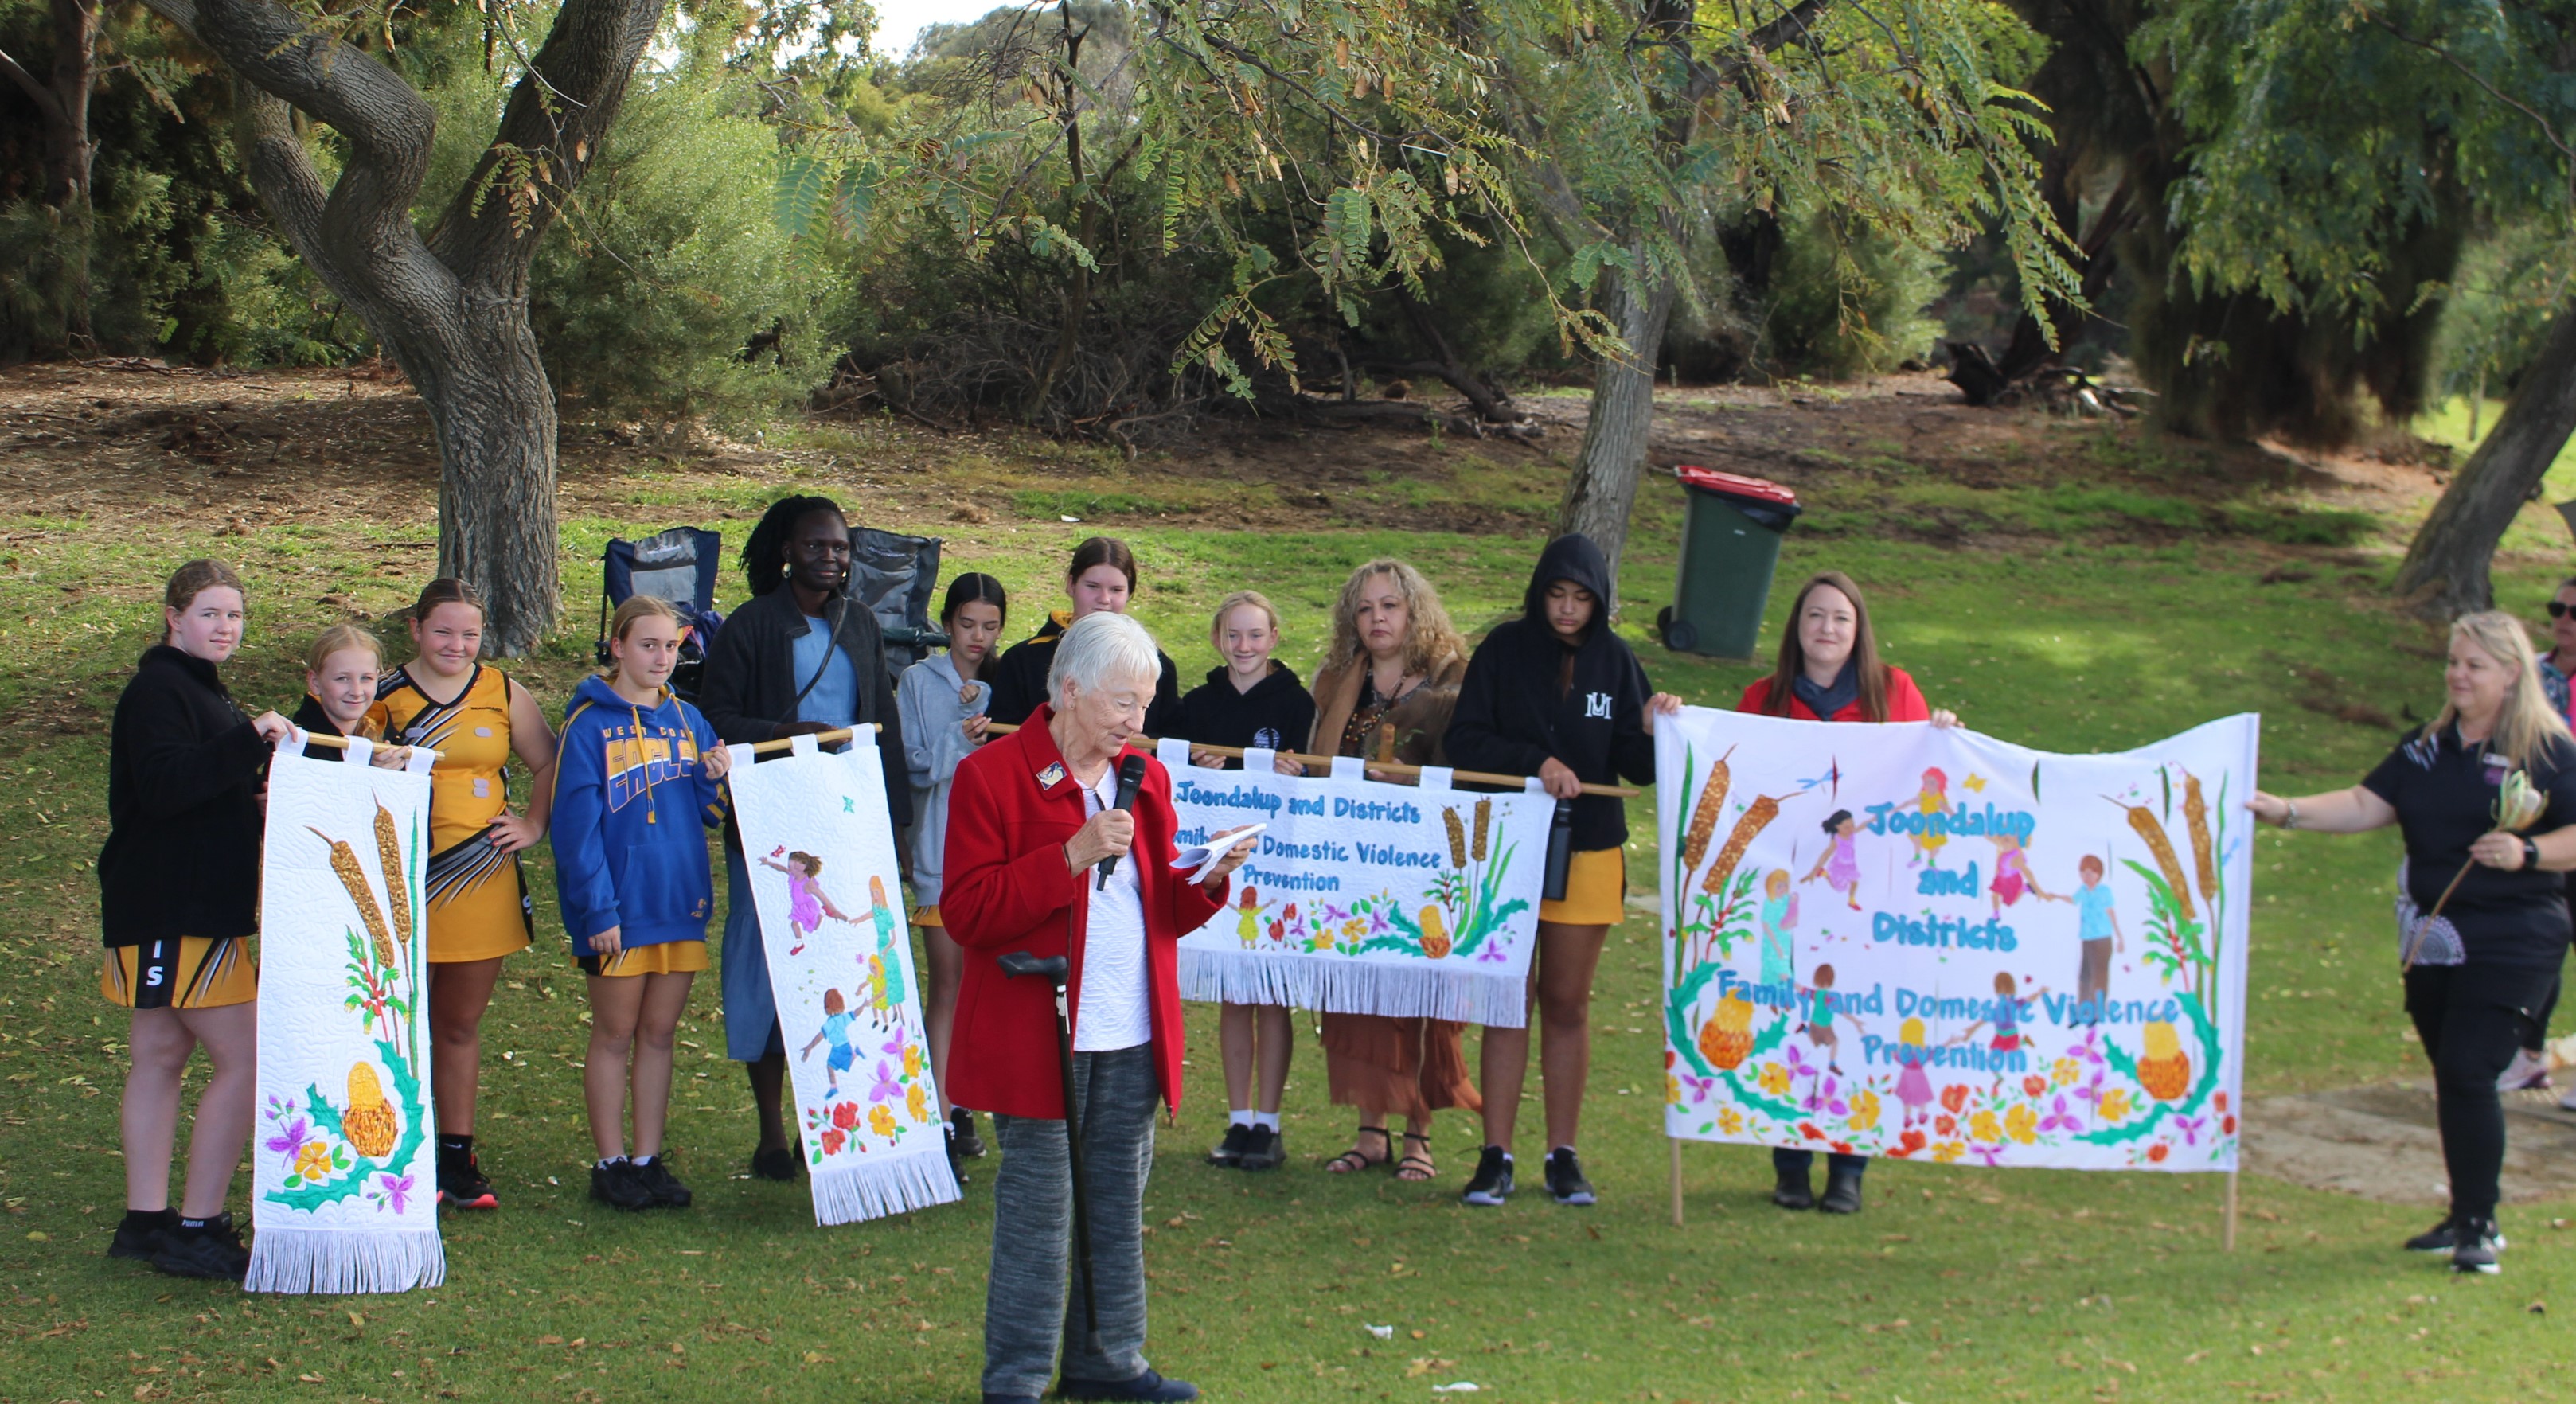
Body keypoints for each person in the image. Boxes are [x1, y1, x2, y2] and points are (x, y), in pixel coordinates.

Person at [943, 612, 1253, 1404]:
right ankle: (1012, 1379)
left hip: (1130, 1028)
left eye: (1144, 705)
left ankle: (1105, 1360)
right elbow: (968, 914)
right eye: (1123, 703)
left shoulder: (1144, 780)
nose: (1135, 722)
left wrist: (1211, 877)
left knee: (1115, 1205)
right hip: (1038, 1031)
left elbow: (1164, 912)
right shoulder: (992, 776)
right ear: (1069, 688)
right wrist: (1068, 857)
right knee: (1039, 1218)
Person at [2249, 610, 2576, 1277]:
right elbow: (2368, 804)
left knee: (2468, 1069)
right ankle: (2466, 1210)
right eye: (2453, 662)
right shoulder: (2426, 748)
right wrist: (2282, 809)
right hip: (2435, 938)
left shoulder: (2550, 751)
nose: (2458, 675)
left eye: (2474, 665)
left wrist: (2528, 849)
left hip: (2517, 937)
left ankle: (2480, 1229)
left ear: (2512, 674)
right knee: (2455, 1078)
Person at [1445, 535, 1681, 1207]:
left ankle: (1563, 1154)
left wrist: (1658, 727)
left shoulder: (1615, 660)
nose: (1568, 609)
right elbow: (1465, 742)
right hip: (1512, 851)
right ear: (1539, 593)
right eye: (1557, 594)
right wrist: (1533, 764)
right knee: (1507, 999)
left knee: (1567, 1004)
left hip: (1590, 850)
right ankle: (1496, 1154)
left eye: (1582, 598)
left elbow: (1636, 765)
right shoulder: (1502, 651)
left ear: (1599, 601)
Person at [698, 495, 911, 1181]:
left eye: (842, 547)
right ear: (787, 551)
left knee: (838, 972)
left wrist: (895, 825)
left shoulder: (863, 626)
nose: (832, 557)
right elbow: (717, 718)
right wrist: (795, 738)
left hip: (845, 823)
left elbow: (882, 724)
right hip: (769, 819)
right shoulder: (750, 627)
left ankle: (831, 1119)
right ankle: (769, 1130)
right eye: (817, 545)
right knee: (770, 967)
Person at [1738, 569, 1958, 1215]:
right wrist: (1671, 719)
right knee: (1791, 1017)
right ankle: (1789, 1163)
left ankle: (1848, 1166)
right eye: (1814, 616)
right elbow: (1739, 775)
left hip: (1868, 895)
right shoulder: (1764, 697)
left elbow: (1925, 780)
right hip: (1792, 888)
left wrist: (1941, 730)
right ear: (1796, 627)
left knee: (1856, 1019)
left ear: (1858, 630)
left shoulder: (1895, 693)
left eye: (1840, 618)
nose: (1826, 628)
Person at [100, 560, 292, 1279]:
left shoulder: (196, 690)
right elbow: (163, 785)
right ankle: (196, 1227)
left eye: (235, 615)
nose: (225, 627)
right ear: (174, 615)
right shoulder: (157, 690)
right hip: (173, 910)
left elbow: (198, 791)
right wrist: (250, 740)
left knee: (159, 1056)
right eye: (211, 613)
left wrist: (254, 804)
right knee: (246, 1060)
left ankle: (145, 1221)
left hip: (178, 905)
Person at [369, 577, 557, 1211]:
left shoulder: (502, 690)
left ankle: (455, 1158)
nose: (457, 644)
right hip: (401, 882)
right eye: (443, 630)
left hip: (481, 878)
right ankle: (391, 1151)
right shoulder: (384, 695)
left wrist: (532, 823)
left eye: (470, 633)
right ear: (417, 630)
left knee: (459, 1025)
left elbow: (549, 760)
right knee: (396, 1023)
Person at [550, 595, 733, 1212]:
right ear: (618, 647)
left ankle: (647, 1158)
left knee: (659, 1034)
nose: (661, 658)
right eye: (648, 645)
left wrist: (715, 777)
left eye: (672, 647)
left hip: (677, 902)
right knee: (615, 1032)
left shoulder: (689, 720)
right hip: (619, 912)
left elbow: (710, 815)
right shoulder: (588, 726)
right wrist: (597, 909)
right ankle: (610, 1162)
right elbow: (575, 832)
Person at [1302, 563, 1478, 1183]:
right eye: (1365, 609)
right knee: (1365, 997)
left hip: (1425, 864)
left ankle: (1418, 1137)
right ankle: (1371, 1132)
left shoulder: (1454, 682)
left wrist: (1416, 778)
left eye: (1391, 606)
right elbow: (1314, 761)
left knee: (1421, 993)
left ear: (1415, 613)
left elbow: (1474, 770)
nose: (1378, 618)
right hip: (1352, 863)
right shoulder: (1336, 684)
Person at [1173, 591, 1316, 1173]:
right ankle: (1238, 1119)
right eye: (1234, 635)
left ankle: (1271, 1122)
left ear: (1274, 638)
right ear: (1217, 640)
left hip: (1279, 865)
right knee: (1235, 994)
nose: (1244, 646)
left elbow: (1318, 777)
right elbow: (1171, 769)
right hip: (1221, 872)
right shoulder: (1196, 703)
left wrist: (1298, 768)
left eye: (1255, 635)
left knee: (1271, 993)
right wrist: (1194, 766)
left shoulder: (1299, 703)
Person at [899, 571, 1009, 1177]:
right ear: (947, 624)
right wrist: (956, 739)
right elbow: (913, 766)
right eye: (967, 624)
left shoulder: (1003, 682)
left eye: (990, 627)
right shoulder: (917, 681)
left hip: (994, 856)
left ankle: (964, 1101)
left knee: (978, 987)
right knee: (947, 981)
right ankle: (939, 1115)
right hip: (940, 853)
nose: (977, 637)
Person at [986, 537, 1182, 737]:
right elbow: (1000, 737)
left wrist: (1148, 748)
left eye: (1116, 590)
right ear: (1071, 584)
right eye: (1093, 586)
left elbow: (1173, 743)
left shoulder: (1157, 666)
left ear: (1130, 593)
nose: (1104, 599)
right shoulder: (1023, 660)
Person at [2503, 578, 2576, 1095]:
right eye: (2558, 608)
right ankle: (2528, 1053)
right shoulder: (2536, 675)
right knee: (2541, 944)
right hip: (2540, 830)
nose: (2565, 619)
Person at [291, 624, 400, 762]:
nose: (356, 691)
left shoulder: (388, 738)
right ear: (315, 682)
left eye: (366, 678)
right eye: (342, 678)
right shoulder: (294, 744)